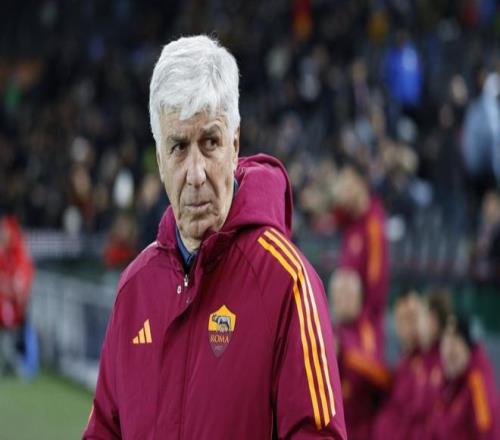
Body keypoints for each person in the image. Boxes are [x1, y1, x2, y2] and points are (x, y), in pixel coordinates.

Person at [83, 35, 347, 439]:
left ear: (234, 144)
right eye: (178, 147)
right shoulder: (134, 290)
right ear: (159, 160)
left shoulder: (287, 281)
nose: (195, 173)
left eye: (210, 143)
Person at [333, 158, 389, 353]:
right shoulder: (351, 222)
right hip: (346, 321)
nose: (343, 192)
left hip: (364, 325)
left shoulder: (373, 225)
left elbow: (376, 283)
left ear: (361, 184)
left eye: (348, 185)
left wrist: (363, 319)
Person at [329, 269, 390, 440]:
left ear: (359, 298)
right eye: (338, 295)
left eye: (347, 294)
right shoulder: (327, 328)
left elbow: (380, 375)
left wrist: (344, 354)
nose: (342, 300)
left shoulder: (368, 331)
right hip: (334, 426)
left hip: (363, 428)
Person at [428, 315, 500, 440]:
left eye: (454, 352)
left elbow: (487, 433)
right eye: (445, 344)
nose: (448, 352)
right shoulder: (442, 381)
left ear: (469, 350)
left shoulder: (477, 383)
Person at [372, 290, 422, 440]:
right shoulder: (401, 362)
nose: (407, 326)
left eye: (412, 318)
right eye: (401, 319)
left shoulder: (432, 364)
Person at [0, 208, 35, 374]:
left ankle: (21, 365)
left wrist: (6, 284)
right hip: (9, 307)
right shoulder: (5, 254)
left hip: (19, 308)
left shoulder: (19, 254)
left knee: (18, 338)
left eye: (4, 230)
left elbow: (19, 287)